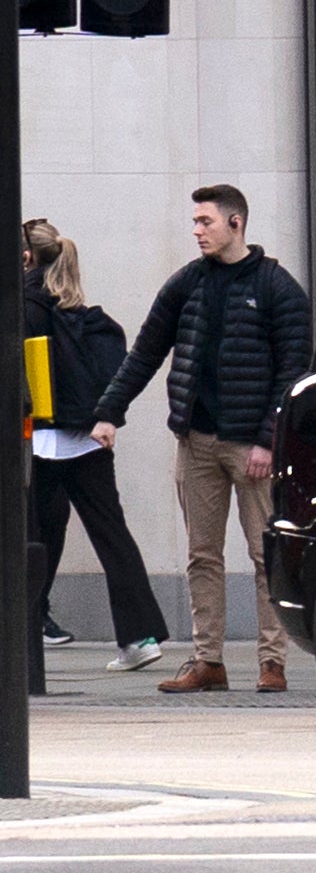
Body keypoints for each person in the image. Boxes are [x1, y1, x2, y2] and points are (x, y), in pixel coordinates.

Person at [91, 186, 313, 693]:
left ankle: (271, 661)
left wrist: (267, 440)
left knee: (264, 556)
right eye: (194, 222)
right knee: (202, 554)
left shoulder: (277, 287)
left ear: (236, 223)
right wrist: (110, 411)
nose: (197, 231)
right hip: (196, 440)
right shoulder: (187, 284)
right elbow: (146, 351)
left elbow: (293, 371)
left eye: (205, 222)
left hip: (251, 446)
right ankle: (207, 660)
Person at [21, 220, 170, 671]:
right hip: (86, 439)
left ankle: (27, 630)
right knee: (112, 535)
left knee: (32, 538)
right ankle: (139, 638)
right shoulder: (80, 311)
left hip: (41, 441)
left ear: (28, 258)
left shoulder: (24, 306)